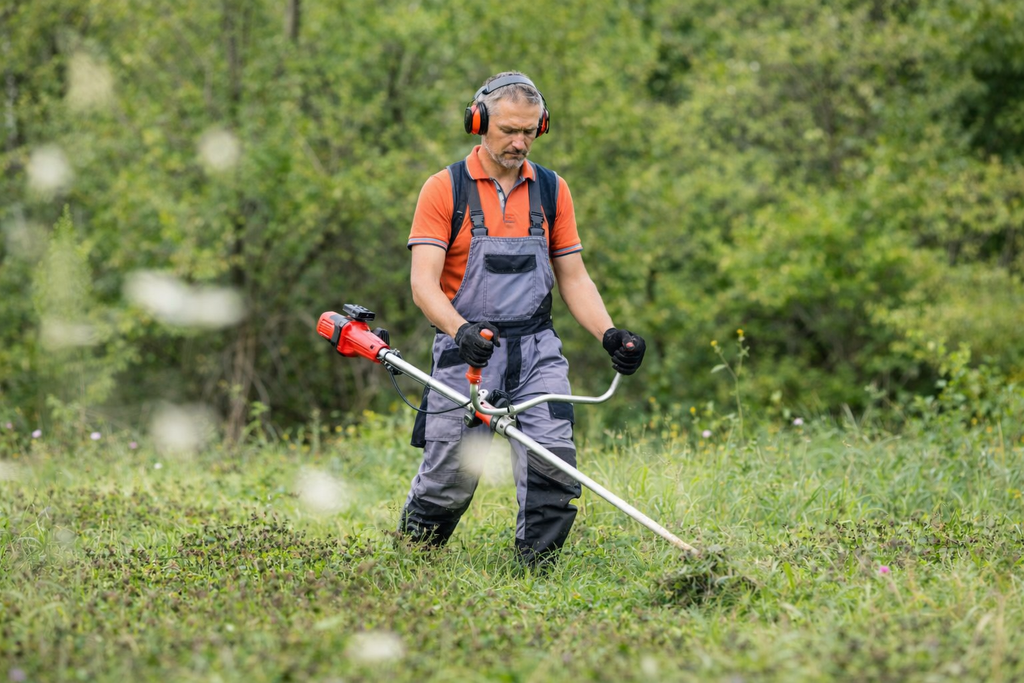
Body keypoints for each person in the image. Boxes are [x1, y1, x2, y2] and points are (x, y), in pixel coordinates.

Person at [399, 70, 647, 567]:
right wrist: (460, 331)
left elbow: (574, 278)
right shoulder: (445, 189)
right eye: (509, 130)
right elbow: (423, 284)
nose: (519, 142)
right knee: (450, 476)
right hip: (467, 353)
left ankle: (536, 573)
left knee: (552, 462)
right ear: (478, 122)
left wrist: (609, 333)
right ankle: (411, 562)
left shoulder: (551, 190)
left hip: (536, 351)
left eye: (529, 131)